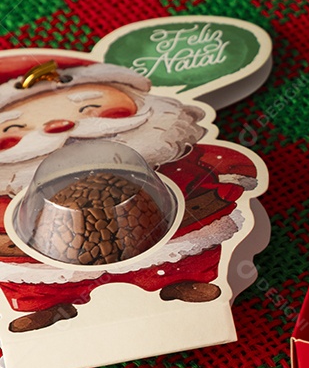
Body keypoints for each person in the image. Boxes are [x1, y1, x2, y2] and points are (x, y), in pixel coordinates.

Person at [0, 60, 262, 332]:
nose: (61, 125)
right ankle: (44, 308)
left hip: (171, 224)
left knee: (186, 253)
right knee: (34, 278)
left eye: (89, 108)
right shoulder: (16, 188)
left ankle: (183, 283)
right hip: (43, 251)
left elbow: (214, 160)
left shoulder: (171, 156)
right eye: (11, 129)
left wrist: (233, 173)